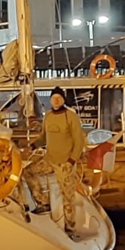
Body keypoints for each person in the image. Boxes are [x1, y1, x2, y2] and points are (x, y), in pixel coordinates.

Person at [22, 86, 87, 235]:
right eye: (53, 98)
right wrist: (32, 146)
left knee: (67, 198)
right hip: (49, 160)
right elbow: (44, 137)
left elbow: (79, 142)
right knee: (28, 172)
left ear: (63, 99)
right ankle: (42, 202)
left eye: (59, 98)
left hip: (65, 164)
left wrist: (71, 162)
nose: (56, 101)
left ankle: (70, 229)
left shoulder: (71, 116)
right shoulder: (48, 115)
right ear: (50, 100)